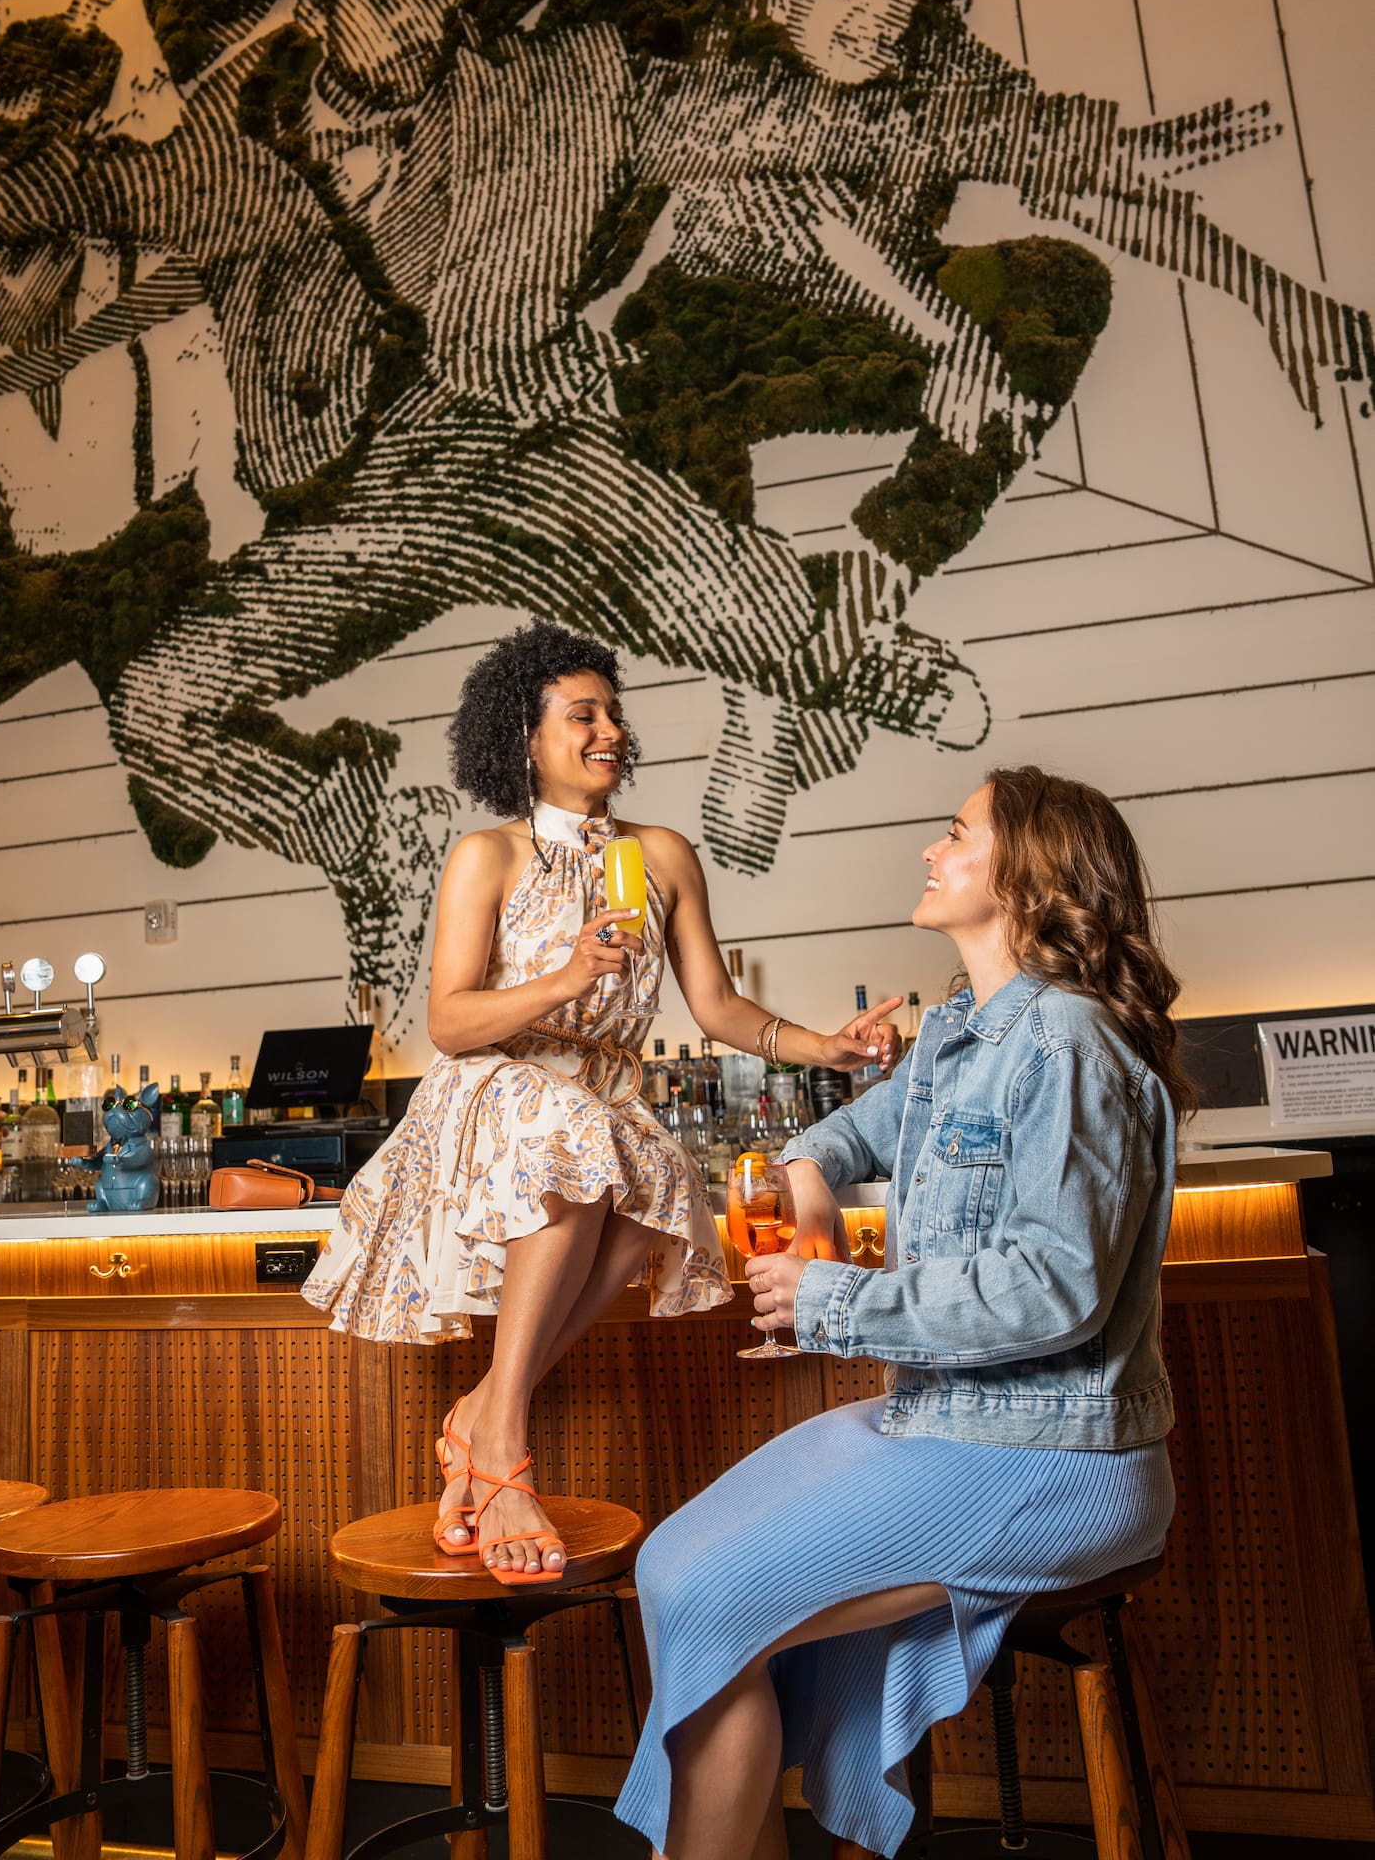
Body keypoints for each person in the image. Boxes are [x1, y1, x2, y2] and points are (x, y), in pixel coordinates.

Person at [613, 764, 1195, 1860]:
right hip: (947, 1421)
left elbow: (1052, 1288)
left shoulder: (1068, 1044)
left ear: (1027, 874)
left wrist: (830, 1295)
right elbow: (830, 1138)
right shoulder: (959, 1033)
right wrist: (810, 1180)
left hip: (1052, 1455)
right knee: (675, 1563)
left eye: (955, 833)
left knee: (699, 1585)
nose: (931, 851)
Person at [302, 619, 901, 1581]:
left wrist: (826, 1044)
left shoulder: (662, 855)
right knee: (581, 1136)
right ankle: (503, 1445)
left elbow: (715, 1006)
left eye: (614, 713)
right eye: (582, 715)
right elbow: (451, 1023)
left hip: (605, 1100)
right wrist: (567, 975)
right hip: (500, 1089)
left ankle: (487, 1407)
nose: (610, 731)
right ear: (525, 741)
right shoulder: (485, 858)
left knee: (656, 1169)